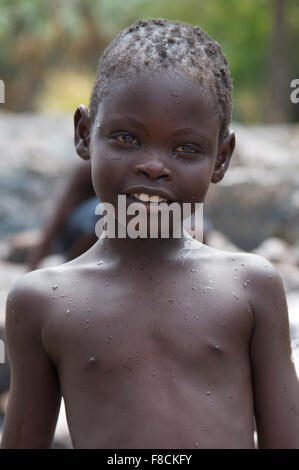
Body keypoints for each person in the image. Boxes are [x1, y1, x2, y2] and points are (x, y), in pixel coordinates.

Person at [1, 18, 299, 449]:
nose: (155, 165)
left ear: (222, 158)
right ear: (85, 135)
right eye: (126, 138)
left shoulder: (251, 286)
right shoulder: (41, 301)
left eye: (186, 149)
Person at [26, 159, 98, 271]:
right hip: (73, 239)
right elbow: (58, 216)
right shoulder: (89, 167)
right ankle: (74, 267)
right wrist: (33, 266)